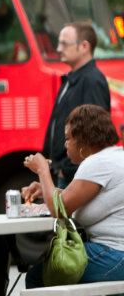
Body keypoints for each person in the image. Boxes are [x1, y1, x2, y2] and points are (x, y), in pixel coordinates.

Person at [23, 104, 124, 288]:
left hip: (114, 255)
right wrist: (45, 188)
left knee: (37, 277)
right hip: (118, 256)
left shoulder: (96, 162)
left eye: (69, 139)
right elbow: (84, 198)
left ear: (83, 140)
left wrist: (42, 170)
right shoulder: (114, 156)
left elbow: (58, 209)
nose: (65, 145)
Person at [42, 22, 110, 188]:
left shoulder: (92, 80)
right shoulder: (71, 79)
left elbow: (95, 132)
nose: (58, 49)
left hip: (75, 176)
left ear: (84, 46)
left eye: (64, 43)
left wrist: (67, 169)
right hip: (67, 173)